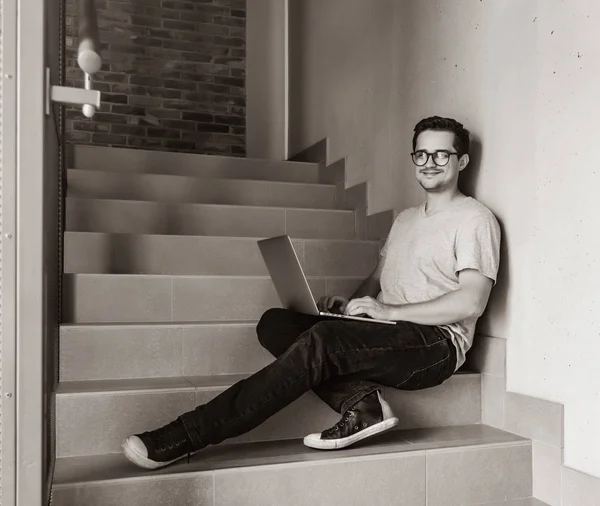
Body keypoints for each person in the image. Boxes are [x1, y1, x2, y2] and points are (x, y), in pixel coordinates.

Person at [122, 116, 501, 470]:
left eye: (441, 154)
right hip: (388, 331)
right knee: (276, 324)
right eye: (421, 153)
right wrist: (350, 307)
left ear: (462, 161)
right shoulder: (405, 219)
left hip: (435, 345)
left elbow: (470, 301)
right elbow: (376, 279)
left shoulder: (475, 220)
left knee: (321, 341)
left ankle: (186, 434)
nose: (429, 162)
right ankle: (362, 404)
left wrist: (386, 314)